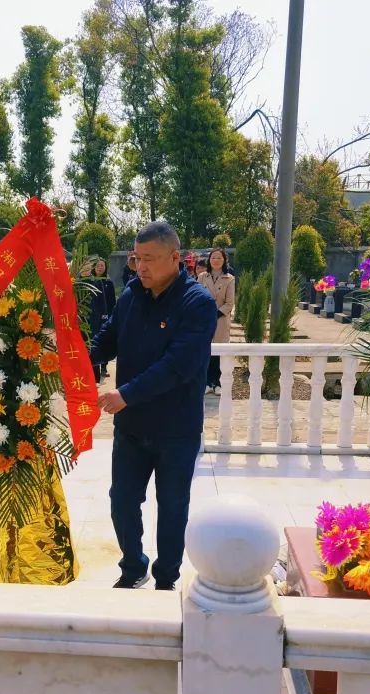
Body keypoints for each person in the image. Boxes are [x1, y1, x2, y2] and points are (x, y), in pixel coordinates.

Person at [90, 221, 216, 591]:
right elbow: (107, 339)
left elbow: (177, 366)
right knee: (122, 501)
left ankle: (166, 577)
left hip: (176, 429)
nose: (140, 267)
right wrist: (75, 358)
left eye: (149, 259)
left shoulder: (197, 303)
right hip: (132, 427)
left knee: (173, 506)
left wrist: (125, 394)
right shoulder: (131, 295)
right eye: (136, 258)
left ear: (175, 258)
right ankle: (133, 566)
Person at [198, 248, 235, 395]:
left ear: (224, 260)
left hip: (220, 320)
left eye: (219, 257)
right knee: (205, 350)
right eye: (213, 257)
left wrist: (215, 314)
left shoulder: (229, 279)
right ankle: (207, 382)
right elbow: (196, 296)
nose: (216, 260)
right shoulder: (202, 277)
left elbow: (229, 303)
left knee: (219, 352)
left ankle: (218, 383)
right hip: (203, 319)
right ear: (209, 260)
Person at [85, 256, 117, 383]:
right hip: (91, 316)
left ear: (105, 268)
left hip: (105, 315)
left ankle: (103, 366)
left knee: (102, 338)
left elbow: (111, 301)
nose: (99, 267)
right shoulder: (89, 282)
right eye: (97, 265)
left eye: (102, 265)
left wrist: (109, 315)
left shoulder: (108, 283)